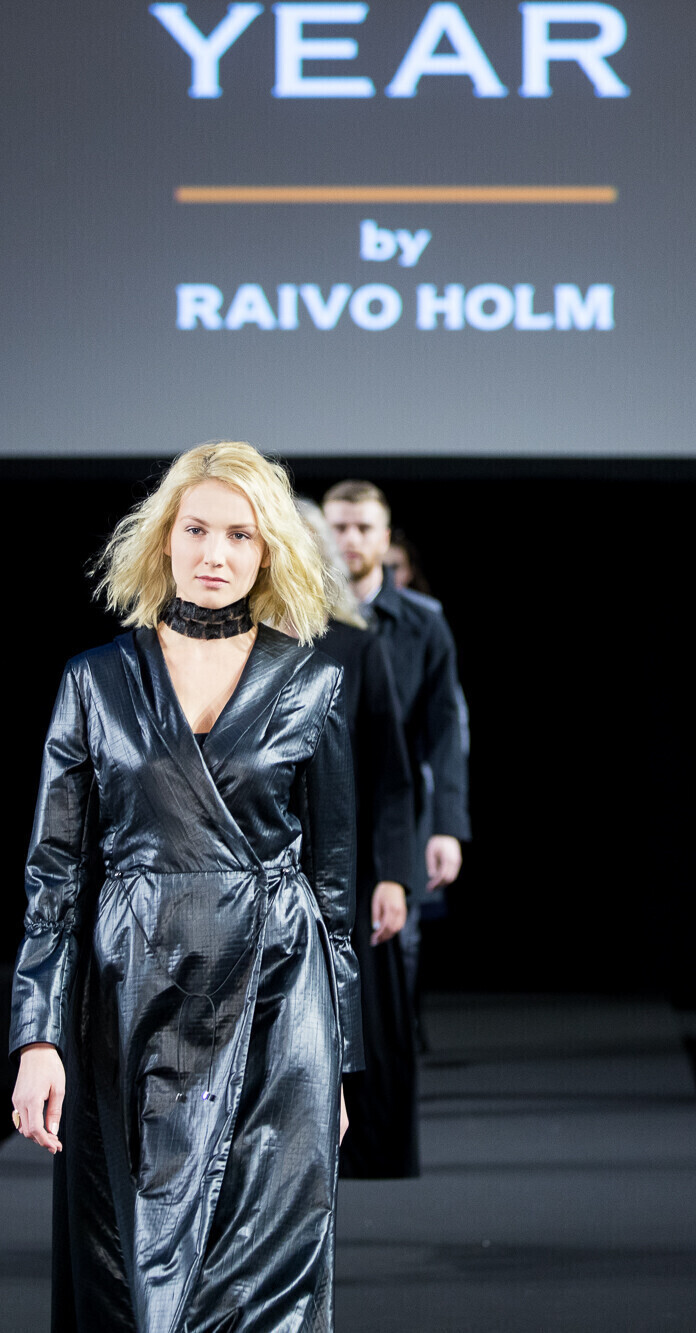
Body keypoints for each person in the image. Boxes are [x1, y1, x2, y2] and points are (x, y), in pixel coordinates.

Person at [9, 440, 360, 1332]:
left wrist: (338, 1058)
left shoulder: (313, 681)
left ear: (268, 550)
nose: (214, 554)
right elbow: (54, 873)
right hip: (134, 997)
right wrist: (37, 1035)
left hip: (279, 998)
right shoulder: (95, 681)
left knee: (267, 1279)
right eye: (196, 529)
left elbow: (333, 895)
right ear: (162, 538)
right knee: (134, 1270)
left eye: (240, 534)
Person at [298, 497, 421, 1178]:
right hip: (262, 863)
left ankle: (362, 1149)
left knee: (360, 1013)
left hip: (347, 865)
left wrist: (394, 874)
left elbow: (391, 778)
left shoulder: (355, 645)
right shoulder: (226, 650)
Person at [322, 479, 469, 1000]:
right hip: (323, 814)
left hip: (398, 812)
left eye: (364, 528)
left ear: (385, 538)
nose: (350, 539)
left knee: (395, 956)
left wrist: (447, 827)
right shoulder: (303, 622)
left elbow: (445, 729)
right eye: (339, 527)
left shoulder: (423, 625)